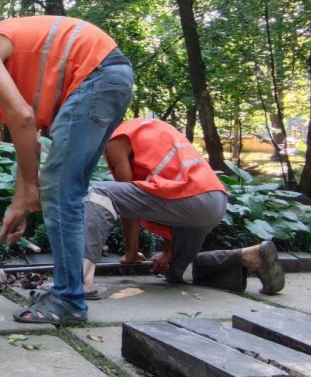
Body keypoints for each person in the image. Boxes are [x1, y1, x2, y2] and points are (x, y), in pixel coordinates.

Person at [0, 15, 134, 326]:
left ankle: (68, 300)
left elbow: (24, 119)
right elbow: (29, 143)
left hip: (96, 75)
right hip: (110, 76)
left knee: (59, 189)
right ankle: (69, 289)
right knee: (67, 189)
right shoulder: (8, 74)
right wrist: (20, 203)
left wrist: (30, 192)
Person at [78, 118, 284, 298]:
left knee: (101, 192)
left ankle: (80, 281)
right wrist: (168, 252)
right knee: (180, 272)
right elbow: (168, 186)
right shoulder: (152, 127)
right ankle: (250, 256)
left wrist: (131, 253)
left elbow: (125, 201)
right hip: (213, 199)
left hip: (191, 200)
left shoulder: (116, 138)